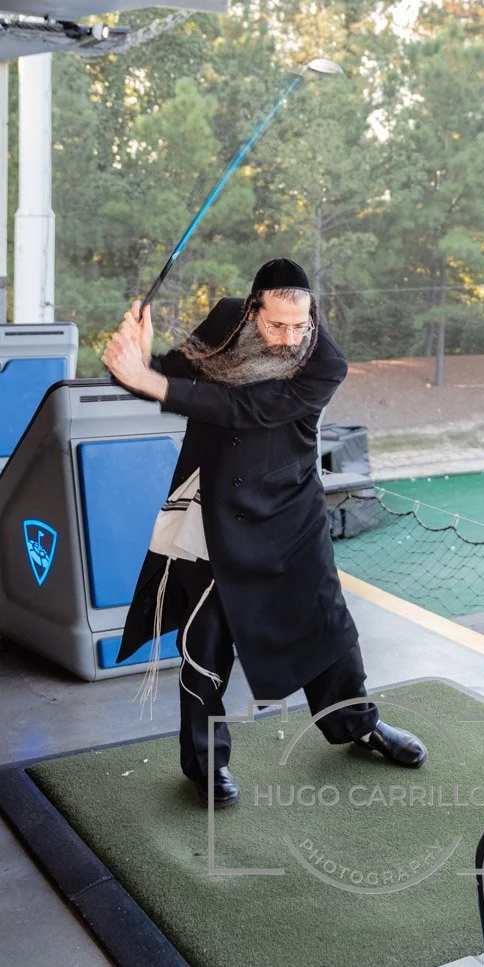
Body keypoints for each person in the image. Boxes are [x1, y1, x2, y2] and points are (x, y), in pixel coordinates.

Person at [103, 257, 427, 807]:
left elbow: (243, 409)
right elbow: (172, 378)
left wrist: (149, 379)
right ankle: (204, 765)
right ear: (253, 310)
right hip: (213, 505)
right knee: (205, 634)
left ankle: (358, 725)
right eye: (277, 325)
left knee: (326, 624)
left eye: (301, 325)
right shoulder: (227, 321)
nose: (290, 338)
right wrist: (134, 360)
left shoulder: (325, 362)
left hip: (291, 512)